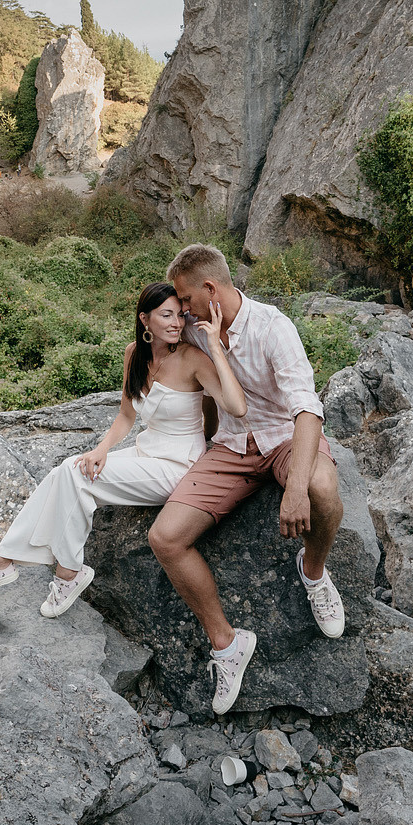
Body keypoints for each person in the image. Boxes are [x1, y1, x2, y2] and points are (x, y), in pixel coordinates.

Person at [0, 280, 247, 616]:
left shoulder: (194, 359)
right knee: (65, 471)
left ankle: (60, 571)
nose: (176, 323)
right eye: (166, 315)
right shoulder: (134, 354)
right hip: (145, 451)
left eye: (180, 315)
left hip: (179, 466)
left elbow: (236, 408)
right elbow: (125, 414)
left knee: (76, 478)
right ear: (145, 319)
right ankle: (4, 562)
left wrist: (214, 347)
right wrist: (102, 449)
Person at [149, 243, 345, 715]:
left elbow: (306, 408)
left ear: (210, 289)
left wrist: (295, 489)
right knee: (165, 538)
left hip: (282, 438)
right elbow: (164, 364)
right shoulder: (198, 333)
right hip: (232, 447)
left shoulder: (274, 327)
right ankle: (227, 643)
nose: (181, 310)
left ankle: (313, 572)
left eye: (185, 298)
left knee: (320, 489)